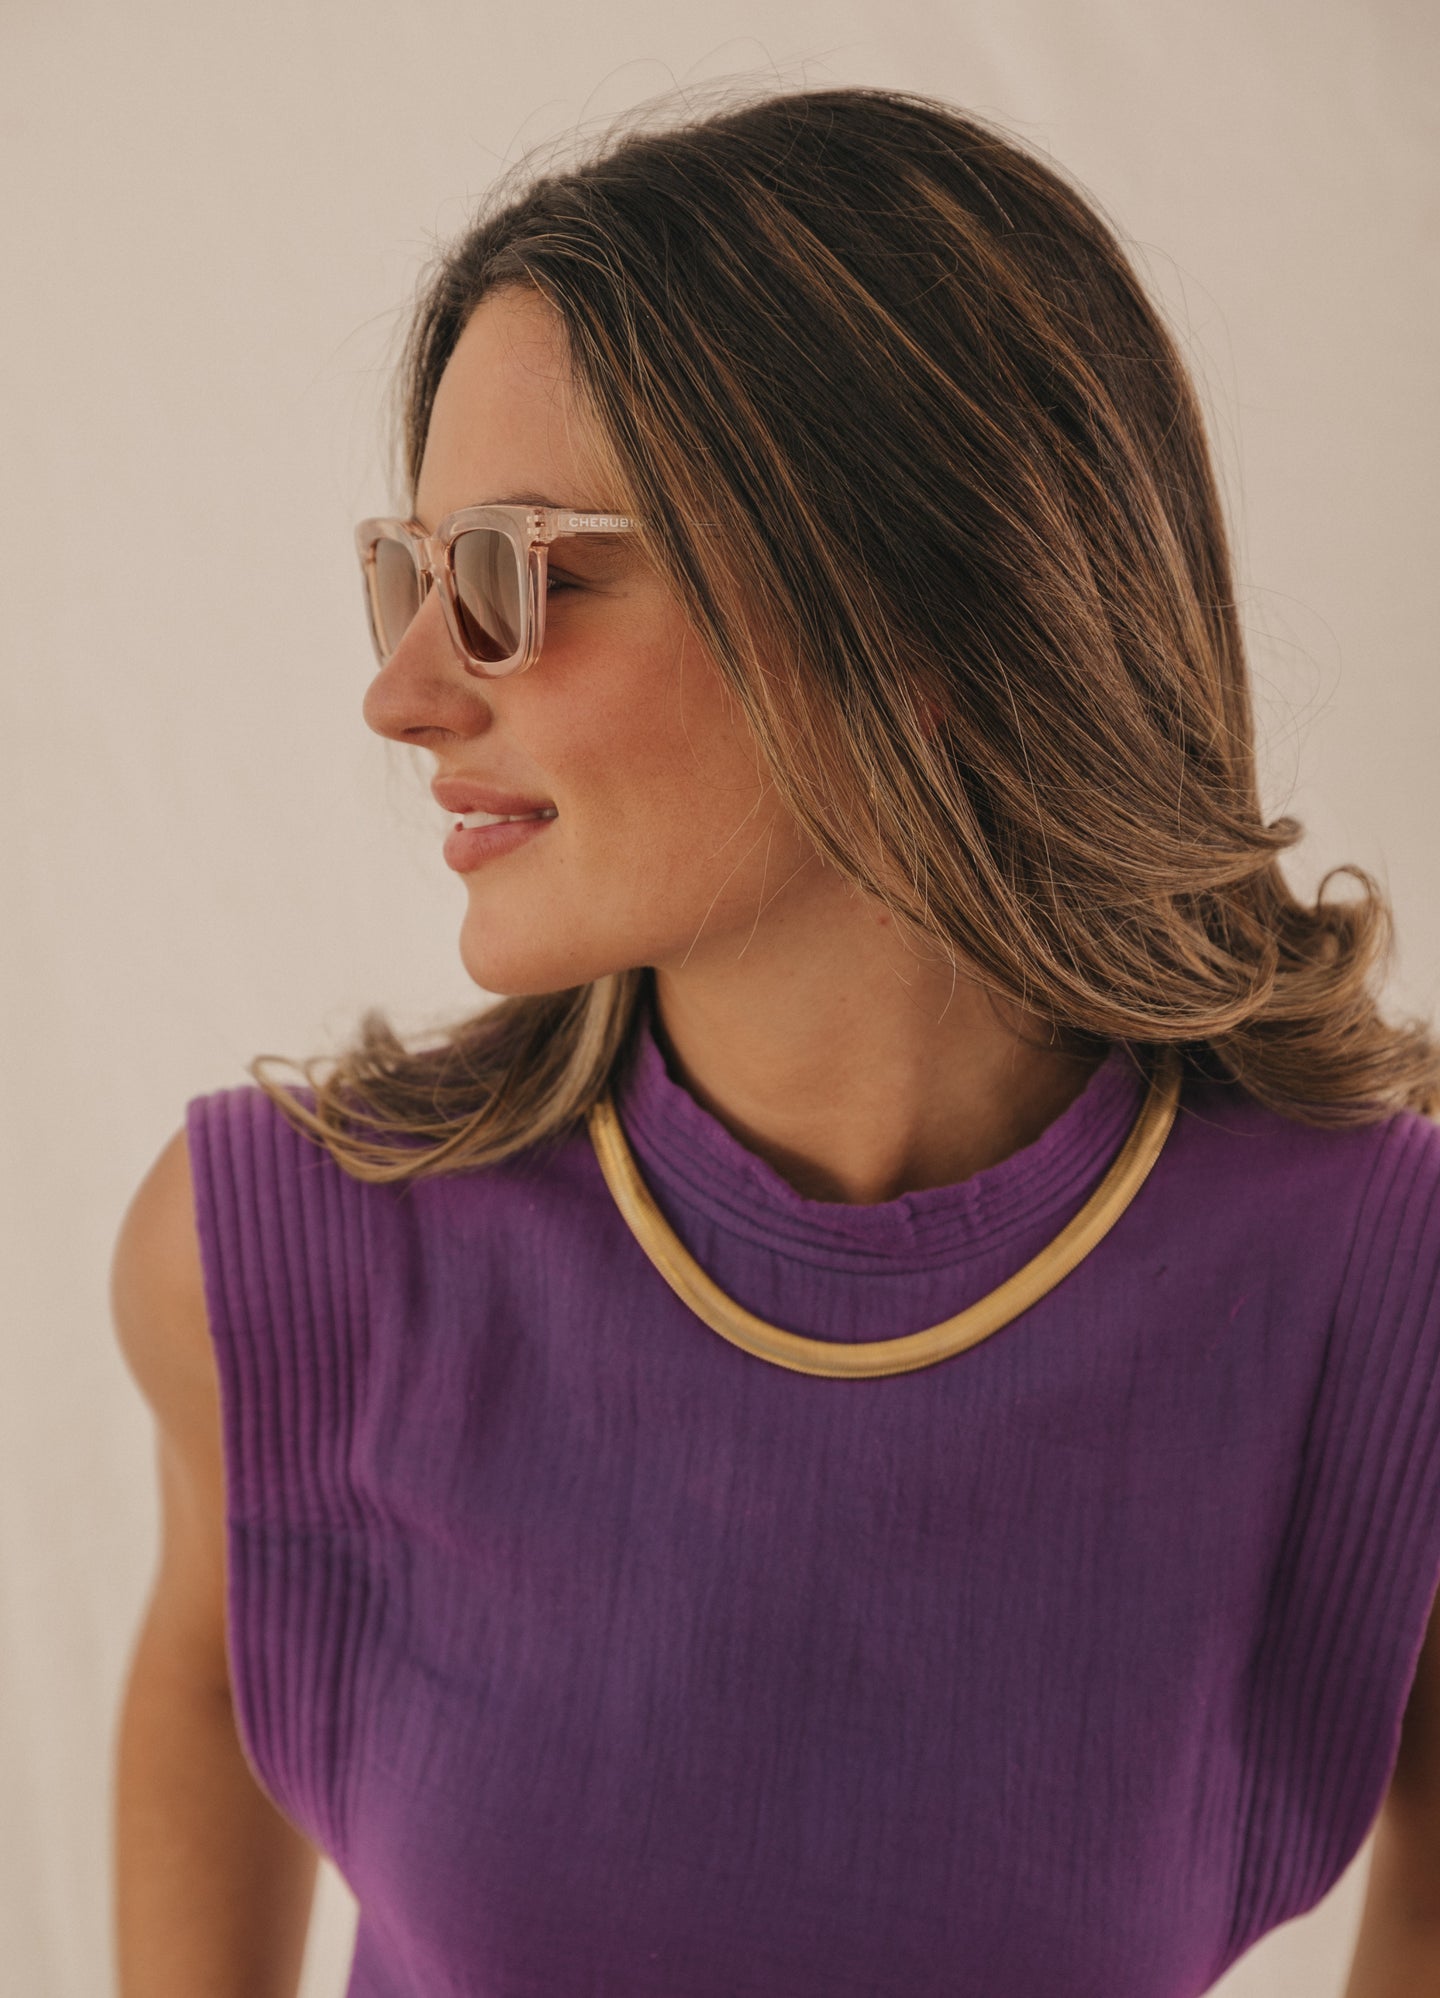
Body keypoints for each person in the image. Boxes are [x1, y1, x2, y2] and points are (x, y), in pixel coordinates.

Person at [110, 85, 1440, 1997]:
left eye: (513, 575)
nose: (402, 693)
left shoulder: (1377, 1291)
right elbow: (201, 1680)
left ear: (918, 596)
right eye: (409, 573)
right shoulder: (274, 1264)